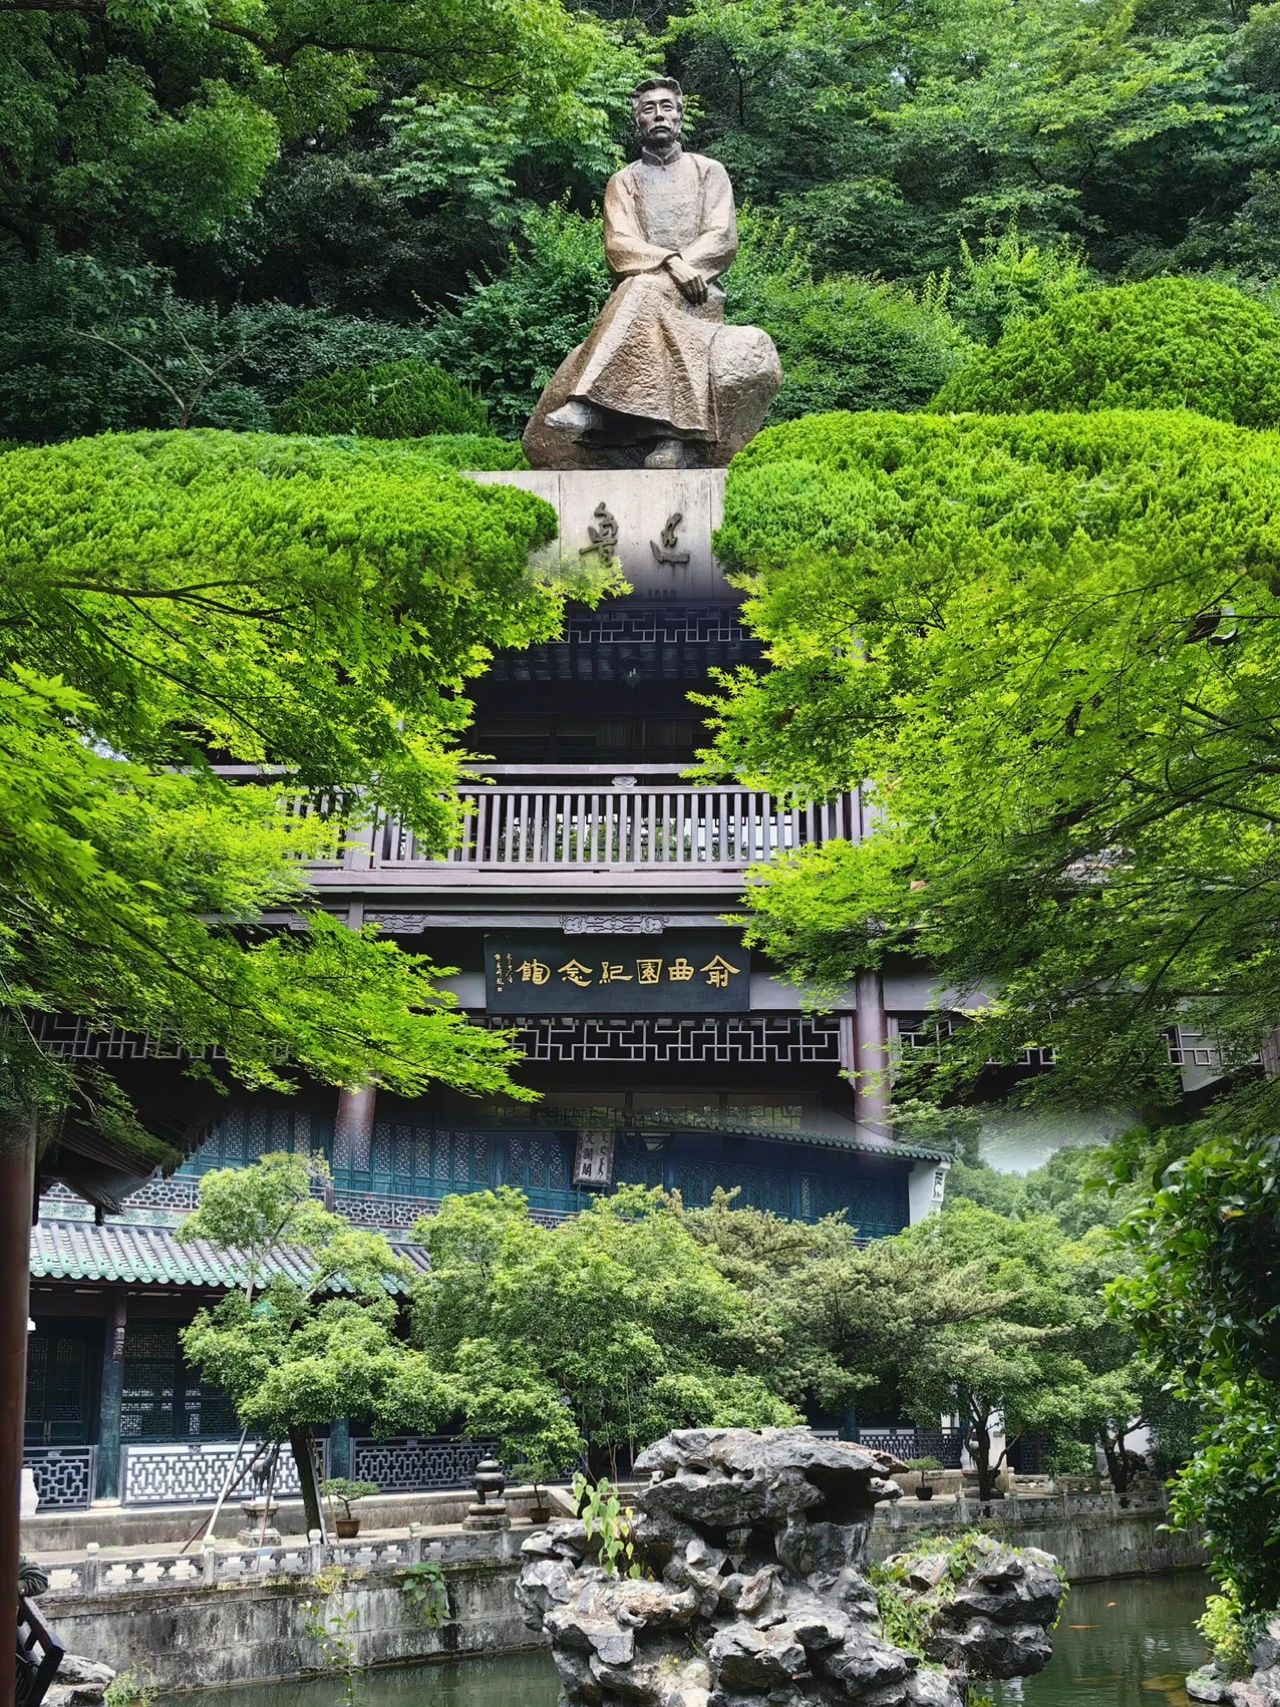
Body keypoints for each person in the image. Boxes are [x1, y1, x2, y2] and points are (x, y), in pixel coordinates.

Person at [526, 78, 779, 470]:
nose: (658, 115)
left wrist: (684, 270)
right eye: (648, 109)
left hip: (697, 294)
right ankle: (670, 439)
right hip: (645, 288)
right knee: (643, 289)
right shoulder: (623, 181)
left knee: (643, 290)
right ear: (637, 121)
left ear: (679, 115)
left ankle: (588, 405)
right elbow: (619, 245)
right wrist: (668, 262)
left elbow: (722, 236)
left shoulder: (708, 171)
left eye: (666, 107)